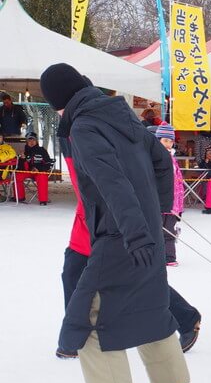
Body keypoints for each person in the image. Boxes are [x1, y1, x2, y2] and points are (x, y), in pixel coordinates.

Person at [40, 63, 191, 383]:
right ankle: (173, 381)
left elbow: (113, 184)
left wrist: (136, 229)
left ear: (59, 101)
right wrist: (159, 211)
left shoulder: (85, 127)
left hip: (120, 232)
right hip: (144, 227)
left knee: (91, 310)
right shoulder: (119, 114)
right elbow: (161, 161)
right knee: (150, 302)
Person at [57, 136, 201, 360]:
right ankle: (76, 337)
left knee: (139, 281)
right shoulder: (76, 135)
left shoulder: (108, 138)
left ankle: (186, 317)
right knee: (72, 275)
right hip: (87, 224)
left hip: (114, 225)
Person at [155, 123, 184, 267]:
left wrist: (179, 206)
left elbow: (178, 183)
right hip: (159, 202)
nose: (168, 143)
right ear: (158, 140)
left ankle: (170, 257)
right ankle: (156, 256)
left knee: (169, 231)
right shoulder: (154, 158)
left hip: (173, 203)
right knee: (157, 230)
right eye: (165, 140)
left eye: (170, 140)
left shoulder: (172, 158)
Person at [12, 132, 52, 205]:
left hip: (39, 171)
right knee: (16, 175)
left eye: (33, 140)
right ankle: (19, 197)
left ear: (36, 141)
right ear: (26, 142)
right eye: (29, 140)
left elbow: (48, 164)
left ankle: (43, 200)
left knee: (42, 176)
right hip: (27, 171)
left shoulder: (42, 150)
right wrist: (22, 159)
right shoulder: (23, 151)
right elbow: (18, 168)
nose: (31, 142)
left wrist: (39, 169)